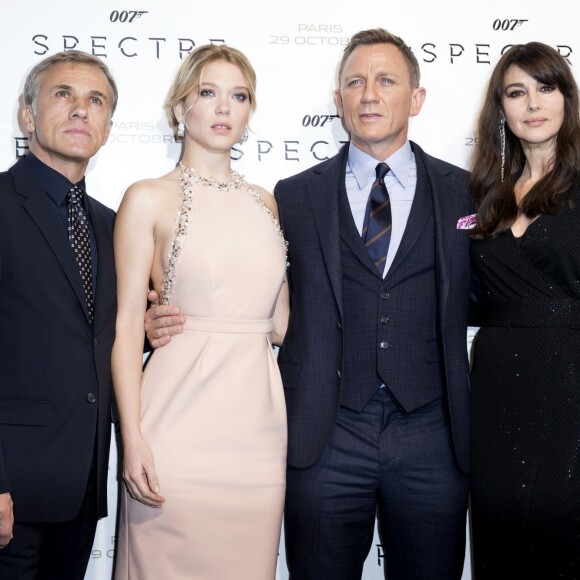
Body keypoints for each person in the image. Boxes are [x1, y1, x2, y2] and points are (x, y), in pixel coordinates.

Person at [147, 27, 473, 579]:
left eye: (386, 80)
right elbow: (248, 289)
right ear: (338, 101)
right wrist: (160, 319)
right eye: (355, 82)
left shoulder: (465, 191)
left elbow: (494, 292)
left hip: (432, 436)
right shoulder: (291, 196)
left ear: (416, 98)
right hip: (323, 433)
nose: (369, 93)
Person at [112, 44, 289, 580]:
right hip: (176, 427)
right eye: (207, 93)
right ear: (179, 107)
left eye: (238, 97)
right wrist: (133, 437)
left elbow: (279, 324)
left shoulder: (266, 201)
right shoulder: (147, 198)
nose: (223, 108)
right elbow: (124, 330)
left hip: (258, 432)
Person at [0, 51, 118, 579]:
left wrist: (146, 331)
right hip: (11, 495)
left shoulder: (111, 225)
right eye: (63, 95)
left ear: (109, 127)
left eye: (96, 101)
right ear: (27, 116)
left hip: (82, 489)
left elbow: (90, 336)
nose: (80, 111)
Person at [469, 42, 580, 579]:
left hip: (571, 384)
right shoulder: (484, 195)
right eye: (517, 92)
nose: (532, 103)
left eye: (545, 87)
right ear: (502, 108)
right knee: (501, 536)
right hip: (495, 390)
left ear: (566, 99)